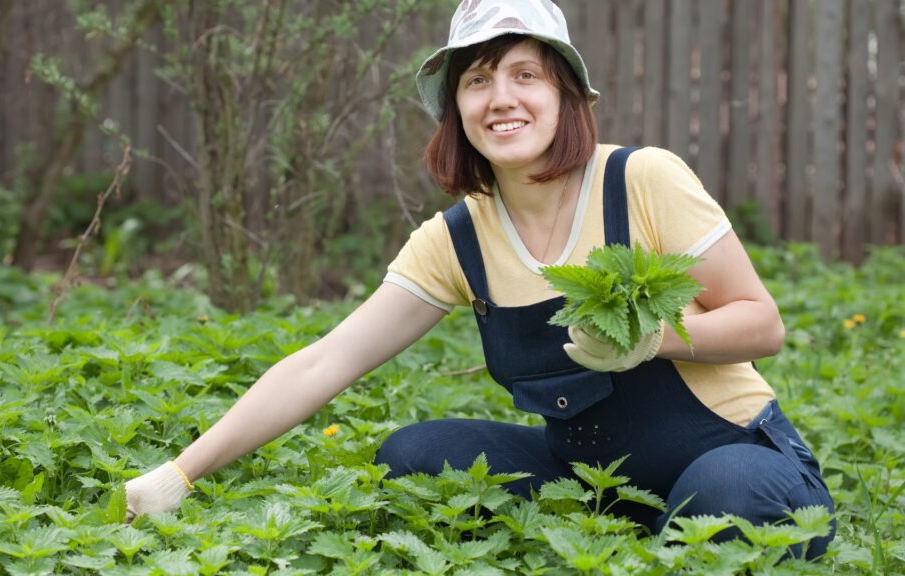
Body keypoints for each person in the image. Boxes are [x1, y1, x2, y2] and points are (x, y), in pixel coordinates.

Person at [124, 0, 835, 558]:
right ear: (455, 110)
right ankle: (627, 540)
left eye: (525, 75)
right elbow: (325, 361)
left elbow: (762, 322)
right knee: (413, 457)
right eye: (477, 80)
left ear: (566, 95)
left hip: (736, 457)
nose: (501, 98)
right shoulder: (457, 239)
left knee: (725, 495)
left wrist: (652, 340)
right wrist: (178, 474)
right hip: (595, 490)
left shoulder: (640, 180)